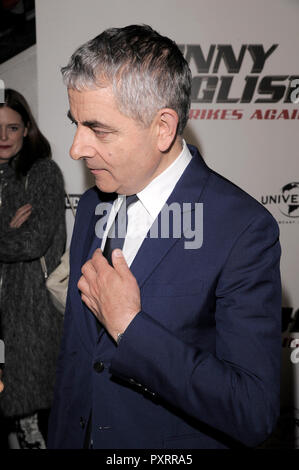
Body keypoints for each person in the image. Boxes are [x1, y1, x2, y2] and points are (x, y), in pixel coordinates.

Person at [48, 25, 281, 449]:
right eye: (75, 124)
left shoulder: (242, 228)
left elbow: (253, 410)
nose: (76, 149)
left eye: (98, 130)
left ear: (163, 127)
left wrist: (130, 327)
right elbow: (79, 357)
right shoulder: (92, 206)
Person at [0, 89, 66, 448]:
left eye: (12, 128)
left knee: (36, 424)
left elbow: (32, 242)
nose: (3, 137)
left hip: (30, 319)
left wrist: (11, 234)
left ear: (27, 129)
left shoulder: (42, 174)